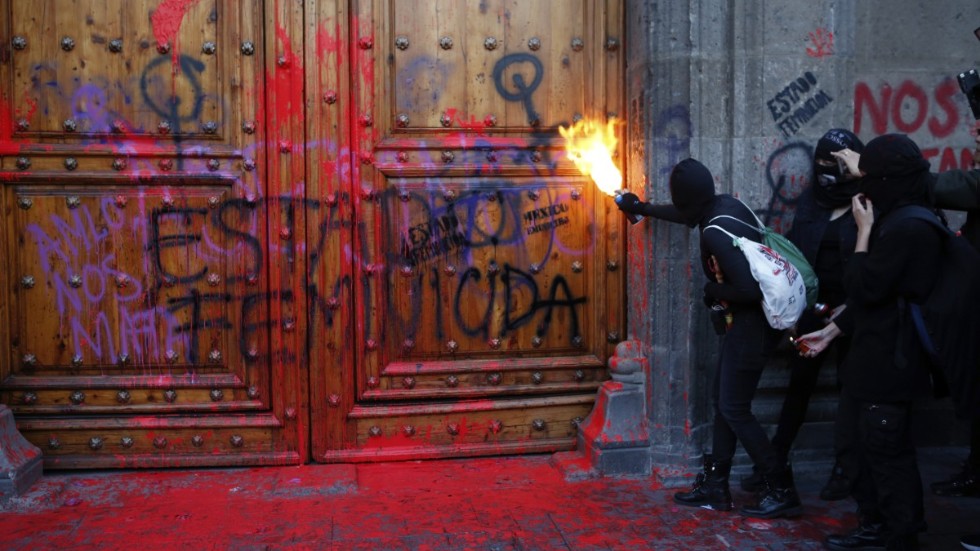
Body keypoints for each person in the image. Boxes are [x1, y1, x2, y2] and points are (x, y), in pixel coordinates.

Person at [616, 158, 802, 519]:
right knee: (724, 402)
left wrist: (711, 288)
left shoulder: (713, 232)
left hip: (751, 328)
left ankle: (780, 486)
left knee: (733, 407)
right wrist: (641, 208)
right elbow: (688, 214)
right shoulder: (726, 206)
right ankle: (717, 487)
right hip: (750, 329)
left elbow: (748, 290)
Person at [796, 134, 944, 551]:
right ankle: (874, 524)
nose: (864, 188)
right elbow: (877, 299)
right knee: (856, 445)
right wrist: (830, 332)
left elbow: (862, 287)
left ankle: (898, 534)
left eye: (871, 177)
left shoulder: (908, 227)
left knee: (886, 453)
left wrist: (862, 232)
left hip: (890, 364)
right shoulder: (902, 214)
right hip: (869, 360)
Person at [741, 129, 864, 502]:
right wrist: (796, 306)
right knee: (800, 384)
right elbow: (795, 252)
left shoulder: (866, 202)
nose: (830, 171)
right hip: (814, 305)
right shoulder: (812, 200)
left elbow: (874, 260)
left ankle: (846, 469)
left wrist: (851, 306)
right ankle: (775, 462)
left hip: (854, 307)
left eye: (839, 163)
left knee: (852, 390)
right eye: (824, 162)